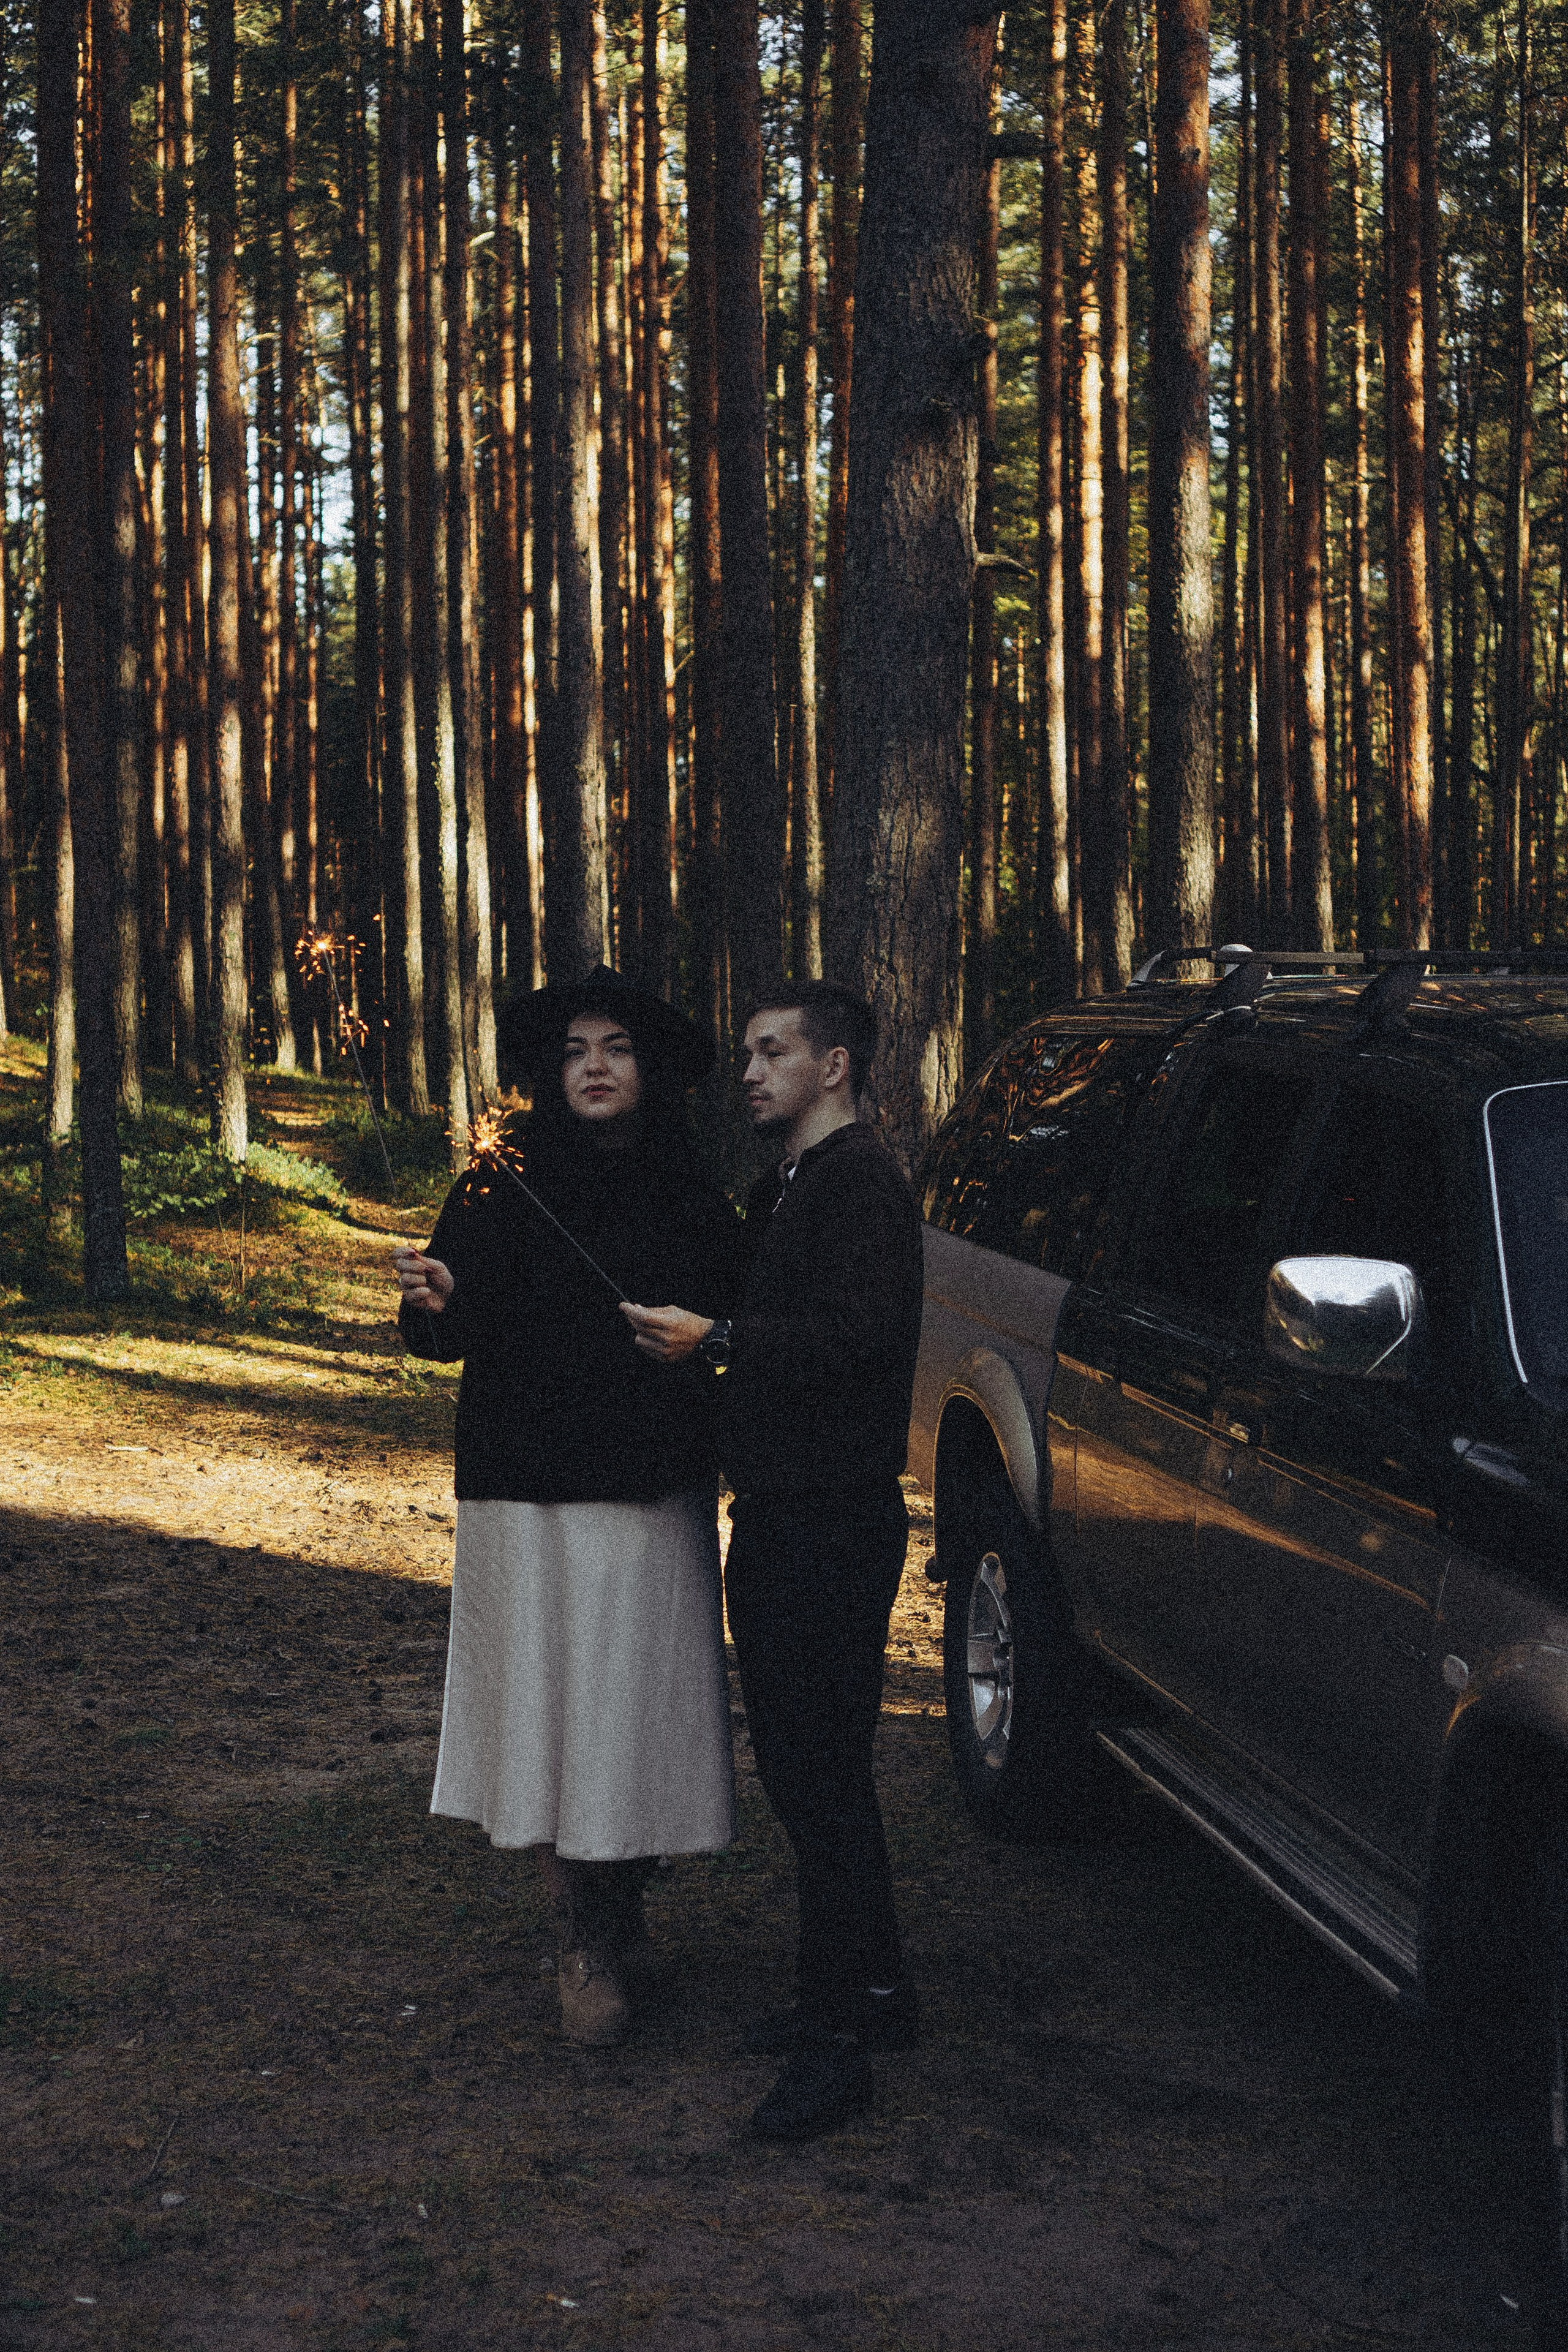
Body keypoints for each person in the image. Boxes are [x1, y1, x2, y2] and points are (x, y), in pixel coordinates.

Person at [394, 967, 741, 2048]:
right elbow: (446, 1328)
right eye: (579, 1050)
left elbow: (737, 1316)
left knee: (631, 1709)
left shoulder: (689, 1184)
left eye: (618, 1049)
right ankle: (581, 1932)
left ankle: (623, 1899)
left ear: (650, 1071)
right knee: (554, 1709)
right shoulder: (500, 1182)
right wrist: (433, 1303)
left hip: (648, 1486)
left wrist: (705, 1337)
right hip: (528, 1484)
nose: (595, 1067)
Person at [621, 981, 925, 2139]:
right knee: (817, 1775)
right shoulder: (793, 1183)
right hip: (790, 1515)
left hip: (830, 1524)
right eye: (746, 1051)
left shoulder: (862, 1189)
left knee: (821, 1781)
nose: (748, 1071)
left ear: (834, 1065)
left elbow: (854, 1343)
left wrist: (724, 1343)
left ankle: (838, 2045)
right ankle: (875, 1992)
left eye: (771, 1052)